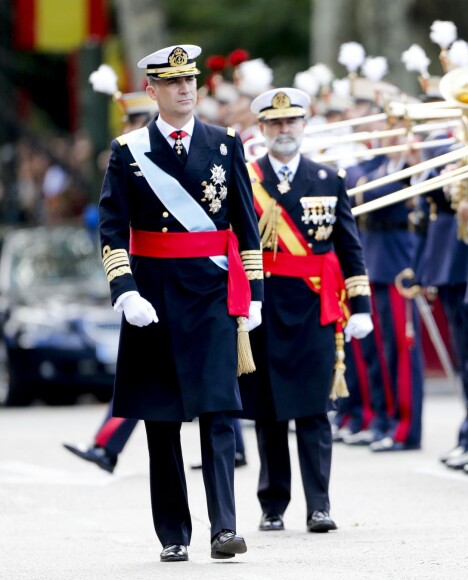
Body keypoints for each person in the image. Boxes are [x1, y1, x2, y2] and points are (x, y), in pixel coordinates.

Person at [98, 44, 264, 562]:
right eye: (172, 83)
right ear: (152, 90)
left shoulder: (224, 143)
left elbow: (246, 223)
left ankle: (224, 529)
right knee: (161, 419)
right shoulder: (128, 151)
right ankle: (173, 532)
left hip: (212, 294)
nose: (185, 89)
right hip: (154, 297)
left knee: (219, 412)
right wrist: (125, 290)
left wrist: (253, 294)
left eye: (189, 80)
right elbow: (111, 227)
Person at [238, 87, 373, 533]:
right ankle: (272, 504)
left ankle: (319, 506)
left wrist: (361, 306)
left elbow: (349, 250)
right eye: (275, 123)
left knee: (315, 411)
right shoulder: (246, 177)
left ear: (304, 126)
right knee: (270, 412)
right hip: (263, 309)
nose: (283, 130)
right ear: (262, 129)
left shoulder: (328, 179)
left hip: (316, 308)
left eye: (291, 122)